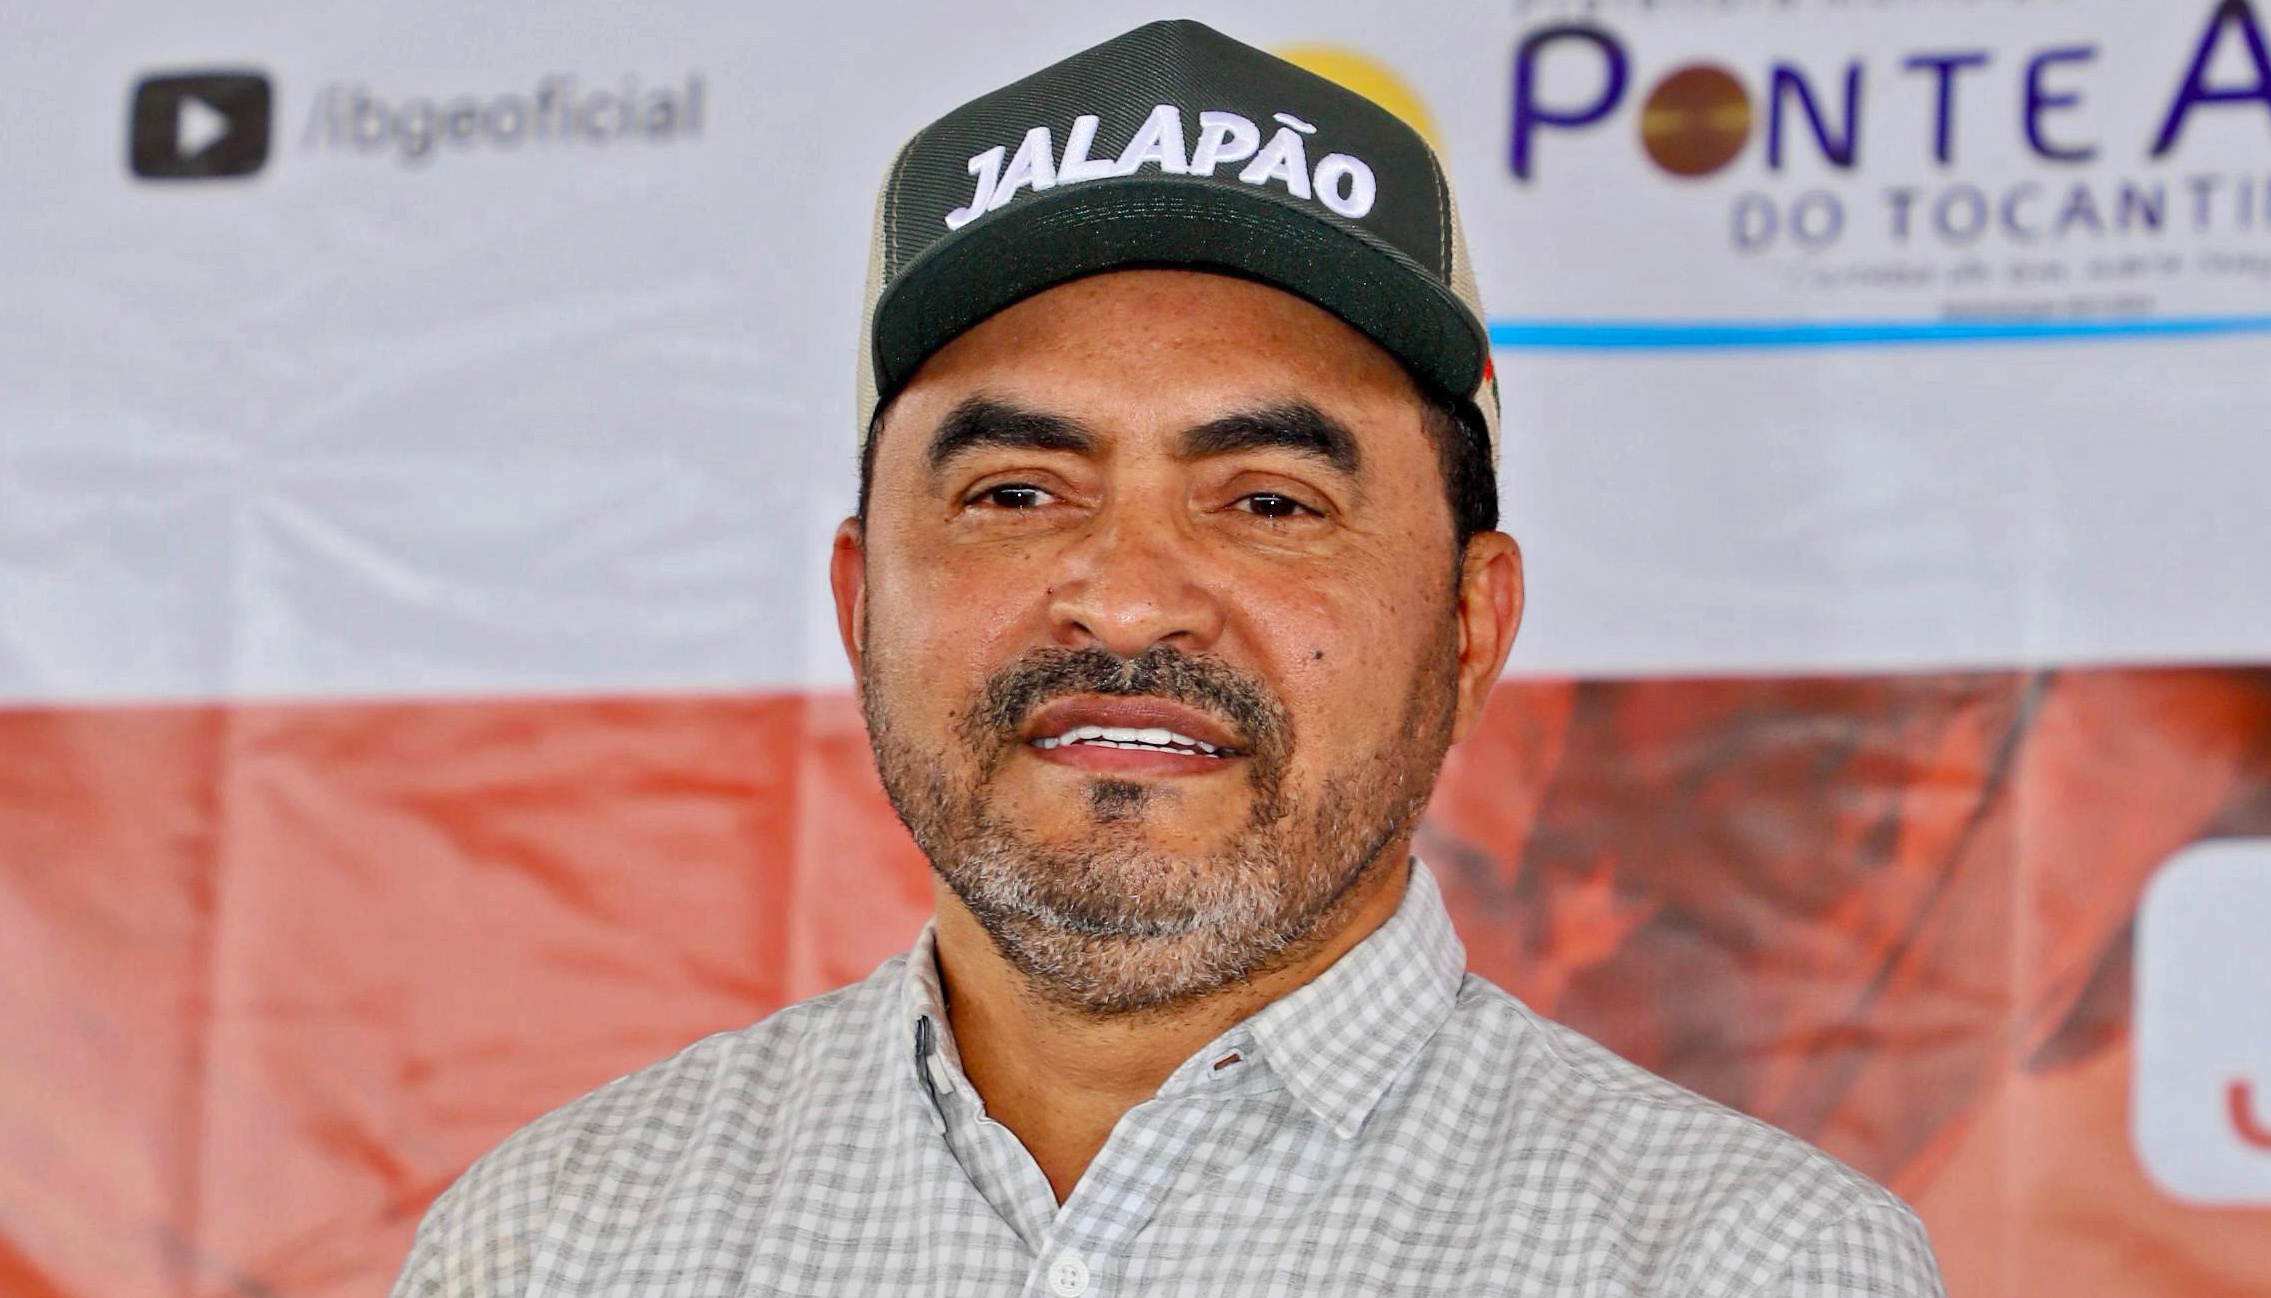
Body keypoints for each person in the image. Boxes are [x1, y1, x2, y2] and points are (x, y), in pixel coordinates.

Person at [391, 20, 1946, 1296]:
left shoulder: (1747, 1264)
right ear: (861, 603)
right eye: (1017, 494)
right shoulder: (553, 1243)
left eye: (1269, 502)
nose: (1128, 602)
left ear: (1470, 628)